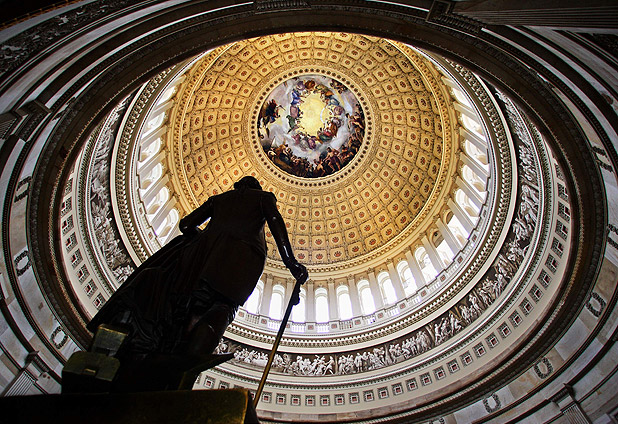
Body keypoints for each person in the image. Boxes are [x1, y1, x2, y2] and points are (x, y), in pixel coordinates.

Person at [86, 176, 308, 390]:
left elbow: (186, 224)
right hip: (238, 266)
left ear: (239, 185)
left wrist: (205, 239)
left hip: (200, 264)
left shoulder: (219, 199)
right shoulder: (263, 198)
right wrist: (291, 263)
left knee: (185, 317)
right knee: (220, 312)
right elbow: (276, 222)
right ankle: (178, 383)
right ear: (256, 188)